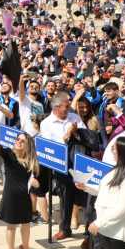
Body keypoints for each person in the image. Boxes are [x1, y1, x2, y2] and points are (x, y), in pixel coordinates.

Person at [0, 124, 40, 249]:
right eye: (17, 139)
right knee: (11, 226)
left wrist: (35, 183)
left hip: (24, 197)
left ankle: (25, 247)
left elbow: (35, 181)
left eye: (22, 141)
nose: (18, 142)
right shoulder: (9, 154)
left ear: (28, 146)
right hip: (11, 197)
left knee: (26, 224)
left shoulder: (31, 161)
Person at [82, 137, 125, 249]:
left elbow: (123, 208)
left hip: (119, 232)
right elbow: (105, 191)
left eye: (114, 148)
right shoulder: (115, 170)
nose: (111, 150)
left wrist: (99, 223)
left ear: (123, 152)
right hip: (107, 229)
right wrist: (86, 187)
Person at [39, 92, 85, 240]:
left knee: (84, 197)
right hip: (61, 168)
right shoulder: (46, 123)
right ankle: (64, 229)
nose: (69, 108)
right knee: (65, 198)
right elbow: (51, 148)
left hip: (79, 164)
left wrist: (77, 132)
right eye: (66, 105)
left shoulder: (74, 117)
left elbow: (86, 136)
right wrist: (67, 134)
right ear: (57, 107)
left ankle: (88, 232)